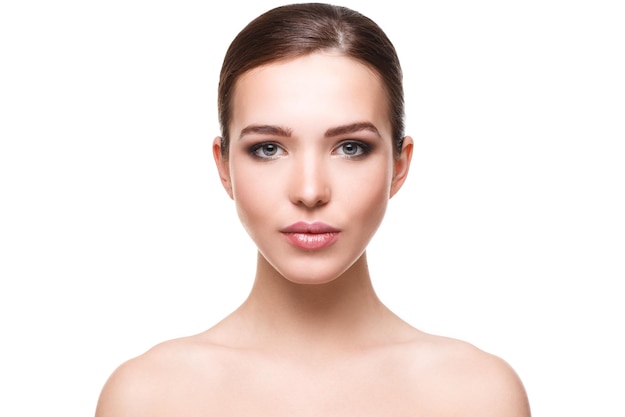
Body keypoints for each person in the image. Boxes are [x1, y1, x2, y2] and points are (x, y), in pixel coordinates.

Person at [95, 3, 531, 416]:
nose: (309, 190)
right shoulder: (147, 397)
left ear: (399, 165)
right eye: (268, 148)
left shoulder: (478, 395)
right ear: (223, 166)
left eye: (350, 147)